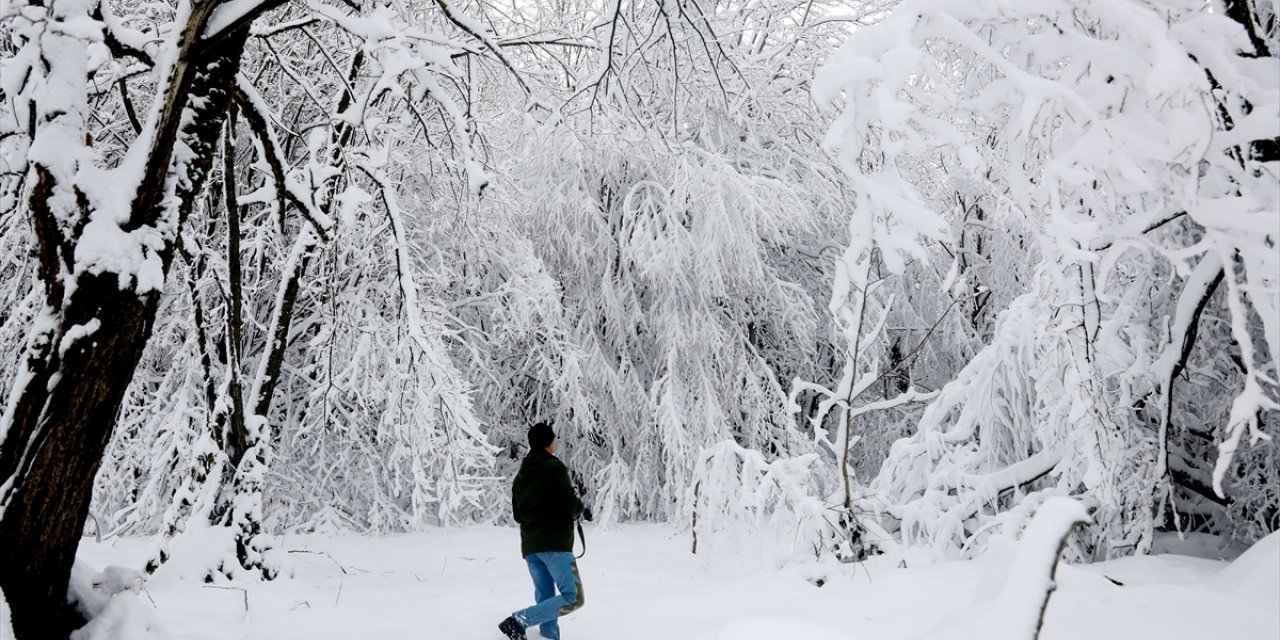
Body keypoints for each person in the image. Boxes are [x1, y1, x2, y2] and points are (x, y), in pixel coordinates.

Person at [498, 422, 589, 640]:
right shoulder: (553, 467)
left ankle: (548, 636)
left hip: (531, 548)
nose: (555, 444)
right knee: (573, 597)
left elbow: (518, 515)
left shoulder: (521, 475)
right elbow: (569, 503)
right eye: (554, 440)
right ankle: (520, 620)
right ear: (548, 443)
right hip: (555, 545)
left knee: (546, 598)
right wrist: (577, 508)